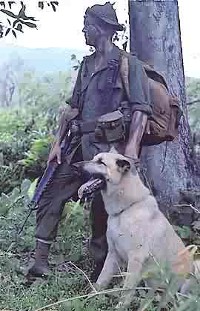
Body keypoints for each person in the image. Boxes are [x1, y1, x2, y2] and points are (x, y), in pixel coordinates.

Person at [27, 2, 152, 280]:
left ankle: (102, 273)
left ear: (102, 29)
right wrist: (57, 144)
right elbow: (73, 108)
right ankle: (39, 264)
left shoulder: (128, 64)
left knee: (101, 211)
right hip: (77, 147)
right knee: (50, 192)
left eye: (87, 25)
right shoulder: (87, 65)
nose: (84, 30)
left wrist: (131, 149)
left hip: (108, 152)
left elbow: (141, 109)